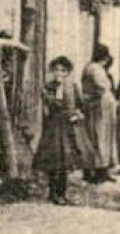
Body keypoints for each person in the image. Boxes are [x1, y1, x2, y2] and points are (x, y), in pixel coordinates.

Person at [34, 55, 91, 205]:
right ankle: (53, 193)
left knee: (65, 161)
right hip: (53, 126)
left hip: (68, 126)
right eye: (57, 70)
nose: (59, 73)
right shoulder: (48, 87)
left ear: (67, 72)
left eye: (63, 70)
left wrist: (77, 114)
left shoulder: (73, 87)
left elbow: (80, 104)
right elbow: (51, 104)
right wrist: (58, 89)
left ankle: (62, 193)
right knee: (54, 160)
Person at [79, 44, 117, 183]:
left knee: (102, 138)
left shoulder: (94, 68)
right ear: (105, 57)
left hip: (102, 107)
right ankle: (96, 171)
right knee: (98, 137)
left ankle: (102, 169)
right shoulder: (95, 69)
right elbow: (102, 87)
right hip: (98, 107)